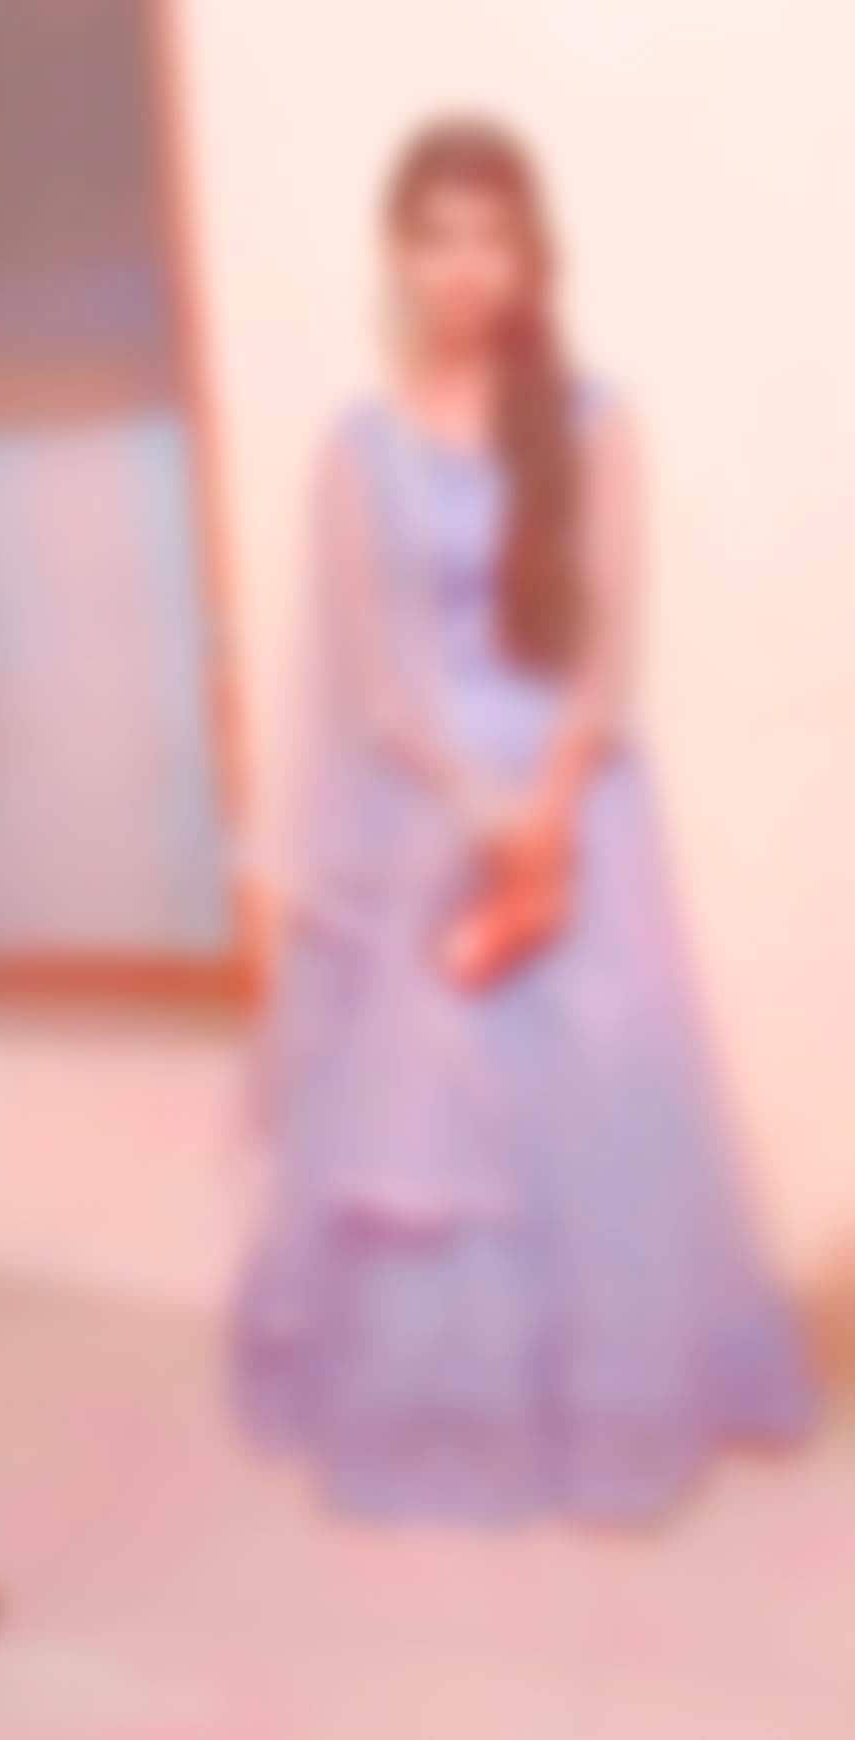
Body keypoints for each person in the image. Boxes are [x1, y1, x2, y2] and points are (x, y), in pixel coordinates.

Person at [234, 117, 815, 1522]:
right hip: (429, 817)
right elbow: (378, 680)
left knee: (600, 1109)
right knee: (438, 1123)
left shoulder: (596, 424)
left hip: (580, 807)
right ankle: (454, 1424)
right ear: (399, 257)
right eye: (435, 236)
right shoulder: (357, 449)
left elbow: (606, 656)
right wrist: (477, 816)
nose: (463, 265)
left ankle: (606, 1413)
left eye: (490, 235)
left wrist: (547, 815)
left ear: (530, 253)